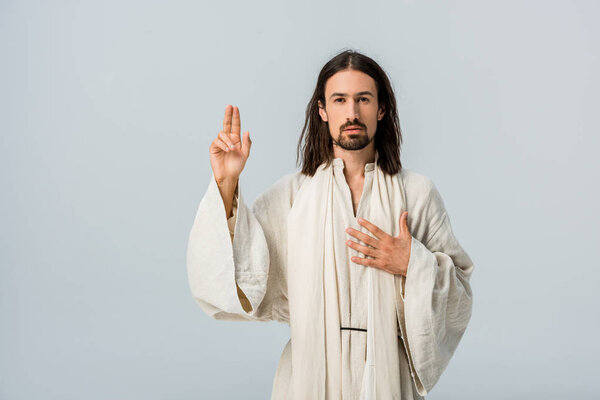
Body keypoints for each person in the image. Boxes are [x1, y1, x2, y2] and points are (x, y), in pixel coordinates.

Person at [186, 49, 475, 400]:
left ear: (381, 109)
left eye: (363, 99)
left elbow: (459, 299)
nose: (352, 113)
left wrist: (413, 264)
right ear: (322, 110)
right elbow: (242, 271)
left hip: (387, 379)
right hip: (309, 378)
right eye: (339, 100)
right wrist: (226, 184)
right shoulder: (293, 196)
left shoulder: (417, 194)